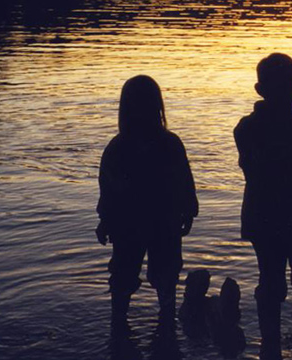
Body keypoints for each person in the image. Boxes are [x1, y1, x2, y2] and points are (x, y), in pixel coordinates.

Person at [234, 53, 292, 360]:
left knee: (279, 281)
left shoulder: (248, 128)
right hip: (289, 219)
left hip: (268, 219)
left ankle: (276, 345)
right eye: (288, 87)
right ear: (261, 90)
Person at [95, 75, 198, 333]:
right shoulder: (168, 143)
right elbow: (186, 182)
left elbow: (107, 191)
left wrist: (105, 220)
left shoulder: (118, 148)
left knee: (125, 274)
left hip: (133, 223)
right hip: (160, 222)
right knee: (161, 275)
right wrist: (189, 209)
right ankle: (164, 325)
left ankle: (120, 326)